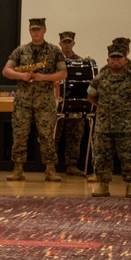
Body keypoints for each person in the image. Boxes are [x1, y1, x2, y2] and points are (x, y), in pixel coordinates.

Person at [2, 18, 67, 182]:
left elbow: (63, 73)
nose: (36, 32)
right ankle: (18, 169)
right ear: (29, 31)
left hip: (45, 101)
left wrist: (43, 77)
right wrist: (21, 75)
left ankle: (50, 169)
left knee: (46, 136)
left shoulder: (54, 51)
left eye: (38, 29)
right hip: (23, 101)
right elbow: (6, 71)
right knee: (19, 134)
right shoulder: (20, 51)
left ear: (44, 30)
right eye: (33, 29)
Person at [88, 45, 131, 198]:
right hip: (104, 127)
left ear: (125, 60)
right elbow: (91, 96)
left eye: (119, 58)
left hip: (128, 127)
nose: (116, 61)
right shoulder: (100, 78)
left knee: (130, 158)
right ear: (108, 60)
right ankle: (103, 186)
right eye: (113, 58)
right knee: (102, 157)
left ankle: (130, 186)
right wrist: (103, 108)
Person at [52, 31, 86, 176]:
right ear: (60, 44)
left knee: (75, 134)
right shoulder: (53, 60)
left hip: (73, 102)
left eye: (69, 42)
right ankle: (50, 166)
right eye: (64, 42)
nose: (66, 45)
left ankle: (72, 165)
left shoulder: (81, 61)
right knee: (53, 135)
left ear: (73, 44)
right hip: (55, 104)